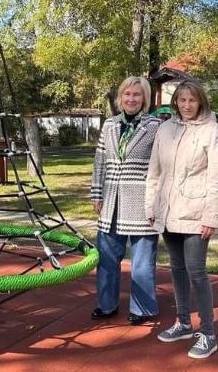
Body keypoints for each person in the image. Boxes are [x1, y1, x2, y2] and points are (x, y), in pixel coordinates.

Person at [145, 80, 218, 359]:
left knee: (197, 272)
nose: (187, 105)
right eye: (182, 100)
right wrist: (150, 206)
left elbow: (217, 178)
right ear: (175, 102)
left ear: (200, 101)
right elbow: (154, 173)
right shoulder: (165, 129)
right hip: (167, 211)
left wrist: (211, 216)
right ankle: (183, 323)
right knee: (176, 269)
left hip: (196, 213)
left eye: (192, 100)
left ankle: (208, 333)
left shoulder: (212, 131)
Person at [89, 76, 162, 324]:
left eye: (137, 95)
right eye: (127, 94)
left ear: (145, 99)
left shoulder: (155, 126)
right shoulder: (109, 125)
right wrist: (97, 194)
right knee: (107, 259)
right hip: (111, 202)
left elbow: (161, 166)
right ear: (121, 97)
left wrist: (156, 202)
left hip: (141, 202)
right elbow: (100, 161)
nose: (131, 99)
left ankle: (142, 309)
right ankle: (107, 304)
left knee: (142, 263)